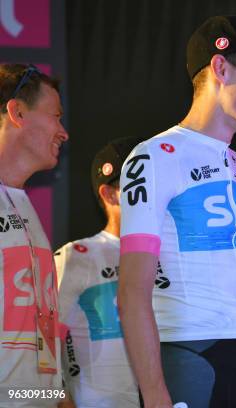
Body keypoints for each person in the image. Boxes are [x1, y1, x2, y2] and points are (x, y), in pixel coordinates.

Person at [117, 16, 236, 408]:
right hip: (187, 356)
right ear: (220, 67)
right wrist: (153, 394)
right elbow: (132, 291)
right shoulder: (153, 156)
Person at [55, 137, 142, 407]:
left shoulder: (170, 254)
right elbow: (38, 345)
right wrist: (61, 401)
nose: (149, 192)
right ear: (109, 194)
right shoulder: (76, 256)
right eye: (138, 184)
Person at [0, 63, 68, 406]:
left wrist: (57, 394)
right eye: (55, 115)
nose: (63, 131)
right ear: (17, 112)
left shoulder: (22, 203)